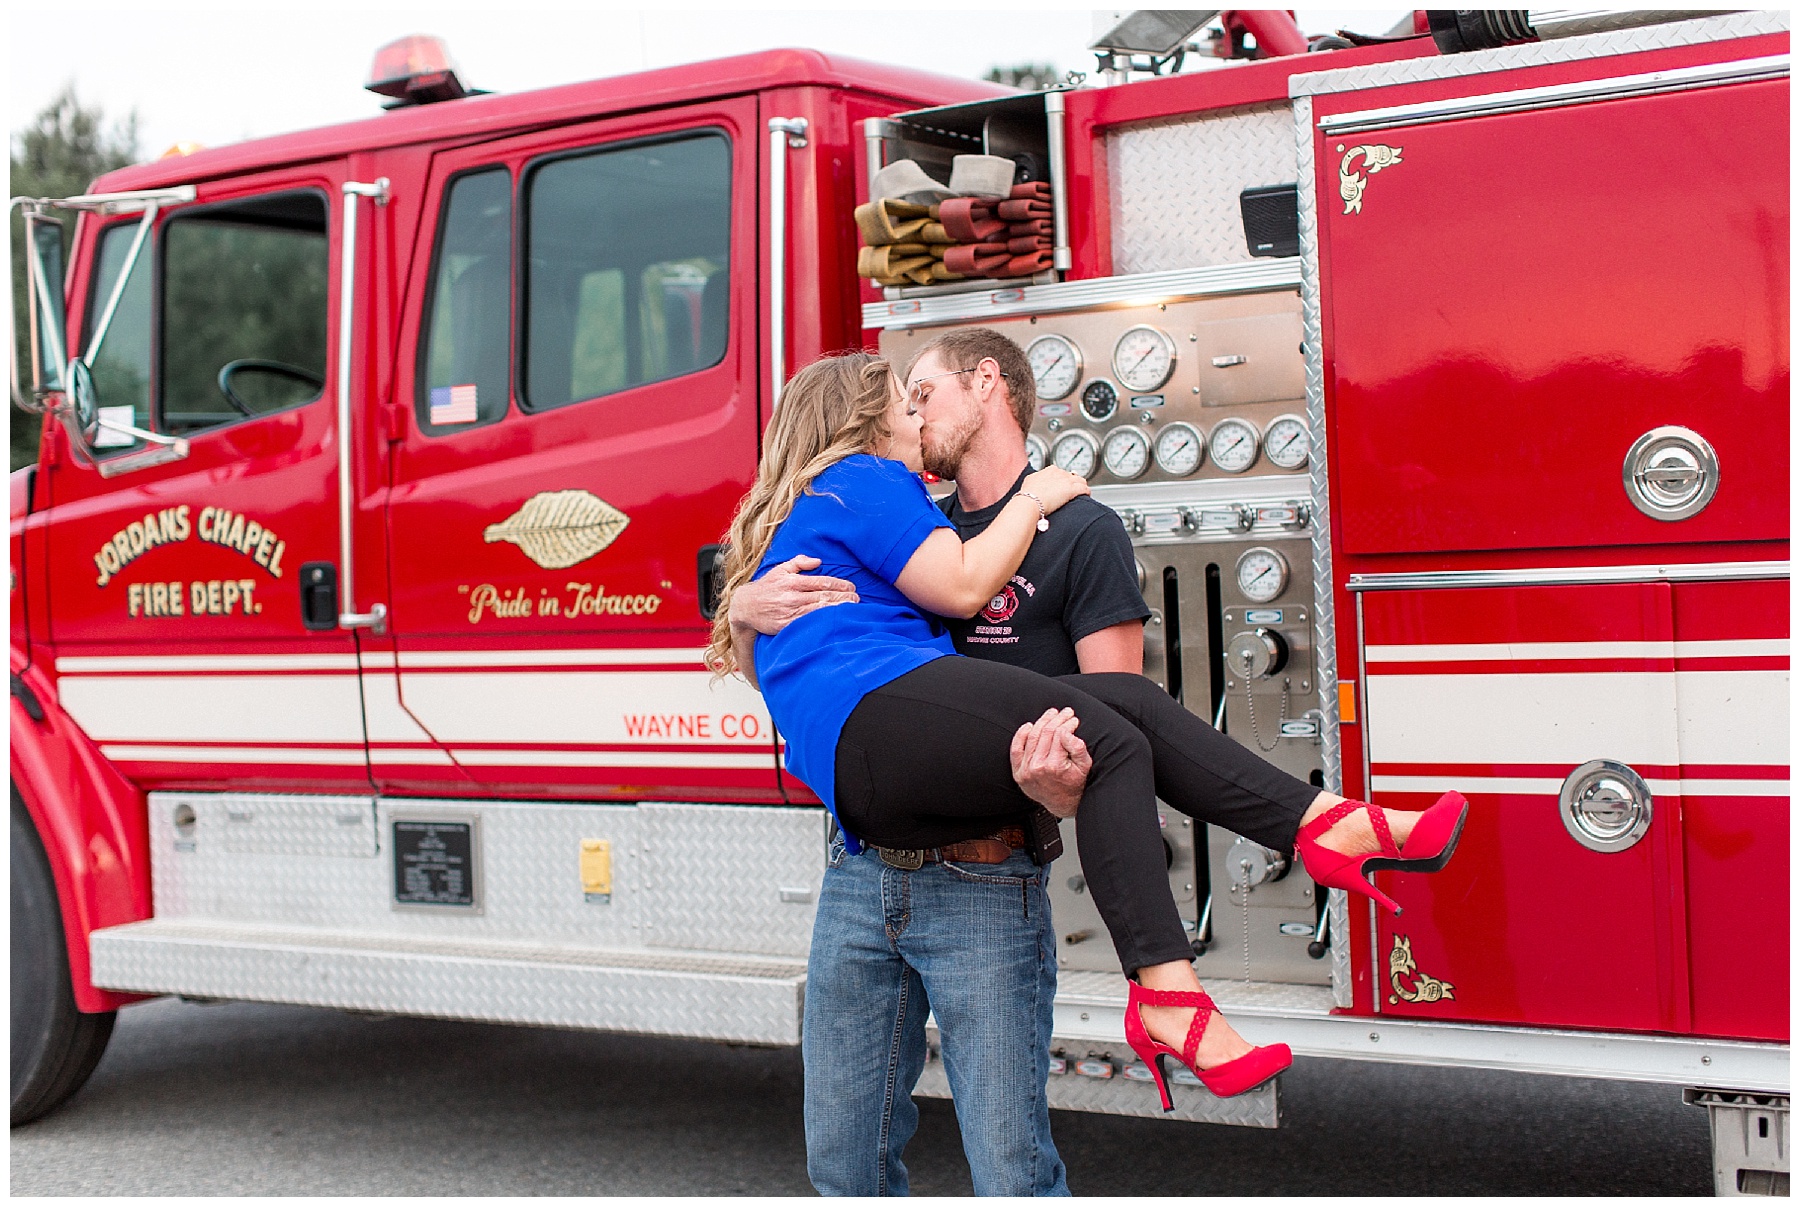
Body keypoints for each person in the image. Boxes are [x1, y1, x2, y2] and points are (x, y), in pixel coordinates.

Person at [718, 343, 1466, 1197]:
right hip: (866, 859)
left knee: (1122, 710)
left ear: (987, 386)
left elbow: (1102, 726)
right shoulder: (880, 491)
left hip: (977, 869)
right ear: (860, 419)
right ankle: (1176, 984)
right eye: (904, 398)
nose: (915, 414)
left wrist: (1062, 785)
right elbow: (957, 591)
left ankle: (1324, 829)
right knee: (848, 1166)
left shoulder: (1075, 533)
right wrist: (740, 610)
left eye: (926, 394)